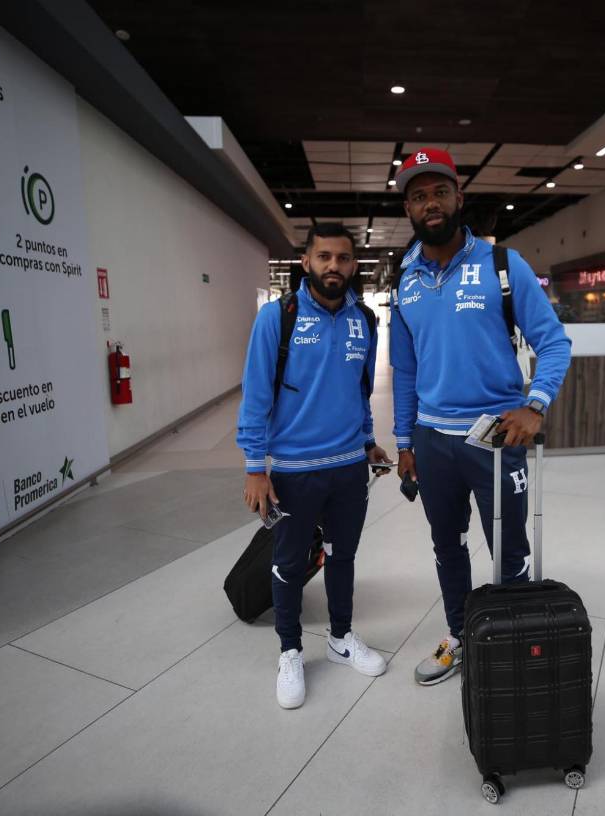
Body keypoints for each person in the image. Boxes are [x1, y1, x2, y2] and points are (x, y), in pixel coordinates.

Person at [389, 148, 572, 686]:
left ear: (458, 198)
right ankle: (461, 634)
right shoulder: (406, 281)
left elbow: (554, 343)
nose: (431, 203)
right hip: (431, 439)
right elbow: (404, 370)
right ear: (408, 208)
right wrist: (404, 442)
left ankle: (513, 642)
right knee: (448, 544)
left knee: (508, 546)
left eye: (440, 191)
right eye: (419, 195)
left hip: (493, 436)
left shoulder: (501, 265)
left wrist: (535, 404)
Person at [236, 222, 392, 709]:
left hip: (348, 468)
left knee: (342, 555)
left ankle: (342, 638)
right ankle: (289, 651)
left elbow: (359, 391)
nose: (333, 267)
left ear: (353, 265)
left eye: (343, 258)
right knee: (286, 564)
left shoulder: (364, 320)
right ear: (306, 262)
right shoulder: (276, 318)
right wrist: (253, 467)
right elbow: (256, 395)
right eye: (323, 257)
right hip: (291, 472)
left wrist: (368, 442)